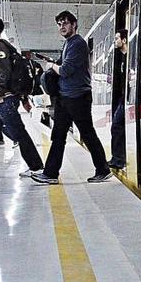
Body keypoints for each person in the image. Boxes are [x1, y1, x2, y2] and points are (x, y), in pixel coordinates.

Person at [31, 10, 112, 184]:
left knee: (87, 133)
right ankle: (50, 173)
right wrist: (54, 63)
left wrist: (51, 65)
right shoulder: (68, 44)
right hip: (65, 97)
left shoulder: (77, 43)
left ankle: (103, 169)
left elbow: (65, 70)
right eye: (59, 24)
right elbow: (63, 65)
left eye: (65, 23)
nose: (62, 27)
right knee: (58, 135)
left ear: (74, 24)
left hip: (77, 97)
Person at [0, 15, 43, 177]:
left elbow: (5, 71)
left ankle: (37, 167)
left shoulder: (0, 46)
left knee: (18, 133)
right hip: (2, 99)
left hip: (5, 98)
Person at [107, 29, 127, 170]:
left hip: (127, 98)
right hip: (122, 97)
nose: (115, 41)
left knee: (117, 126)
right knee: (117, 126)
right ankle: (117, 158)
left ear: (124, 40)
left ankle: (119, 159)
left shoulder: (129, 58)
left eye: (117, 38)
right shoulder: (121, 58)